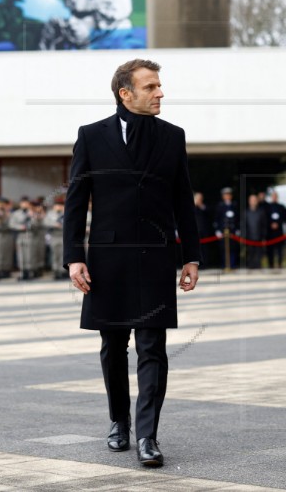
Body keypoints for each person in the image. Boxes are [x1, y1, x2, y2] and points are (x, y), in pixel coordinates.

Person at [63, 58, 200, 468]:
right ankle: (118, 421)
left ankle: (148, 437)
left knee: (152, 348)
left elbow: (183, 200)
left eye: (160, 86)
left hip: (156, 258)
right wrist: (74, 257)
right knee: (112, 347)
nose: (161, 92)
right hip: (108, 259)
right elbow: (75, 201)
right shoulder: (91, 136)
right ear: (126, 93)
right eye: (152, 86)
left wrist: (191, 255)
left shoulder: (173, 137)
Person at [214, 187, 239, 269]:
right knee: (223, 248)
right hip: (223, 231)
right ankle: (224, 264)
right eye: (226, 195)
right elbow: (216, 219)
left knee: (233, 248)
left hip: (232, 231)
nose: (227, 196)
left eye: (229, 195)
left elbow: (238, 219)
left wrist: (238, 229)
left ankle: (232, 264)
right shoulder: (220, 206)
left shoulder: (234, 205)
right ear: (223, 196)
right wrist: (217, 230)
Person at [265, 190, 286, 268]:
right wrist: (271, 224)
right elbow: (265, 218)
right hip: (270, 233)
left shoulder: (281, 207)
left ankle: (280, 264)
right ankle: (271, 264)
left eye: (275, 196)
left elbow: (284, 218)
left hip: (279, 232)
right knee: (270, 250)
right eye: (273, 196)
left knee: (280, 250)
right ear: (271, 197)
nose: (274, 198)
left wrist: (278, 223)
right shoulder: (267, 207)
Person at [244, 194, 266, 269]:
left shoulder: (261, 212)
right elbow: (244, 225)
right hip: (249, 237)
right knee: (250, 253)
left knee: (258, 253)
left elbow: (264, 225)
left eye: (255, 200)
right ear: (249, 201)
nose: (253, 202)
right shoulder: (246, 213)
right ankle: (250, 266)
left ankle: (258, 266)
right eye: (252, 200)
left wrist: (263, 236)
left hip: (259, 237)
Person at [193, 192, 212, 267]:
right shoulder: (191, 207)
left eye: (200, 198)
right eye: (197, 198)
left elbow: (209, 214)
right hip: (194, 231)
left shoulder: (204, 207)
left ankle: (204, 264)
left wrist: (201, 206)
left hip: (203, 232)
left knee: (204, 249)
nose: (199, 200)